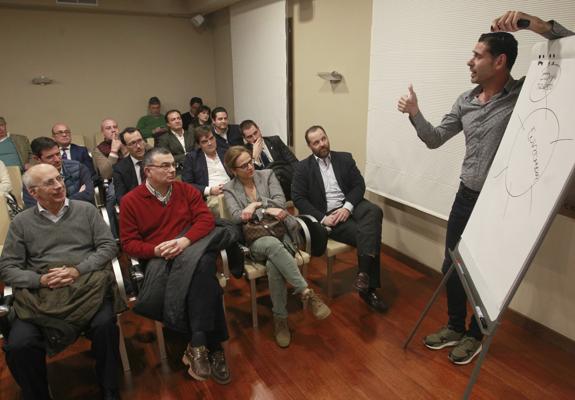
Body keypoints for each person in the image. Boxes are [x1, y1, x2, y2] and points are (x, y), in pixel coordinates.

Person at [396, 11, 573, 365]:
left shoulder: (523, 93)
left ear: (500, 61)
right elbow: (434, 139)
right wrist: (415, 113)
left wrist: (531, 23)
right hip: (465, 196)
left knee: (480, 271)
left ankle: (475, 336)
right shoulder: (465, 100)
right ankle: (454, 327)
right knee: (452, 264)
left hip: (497, 202)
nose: (470, 61)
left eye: (477, 55)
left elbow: (569, 48)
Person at [0, 163, 122, 400]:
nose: (59, 186)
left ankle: (110, 388)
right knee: (18, 345)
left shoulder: (85, 210)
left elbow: (108, 246)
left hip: (87, 286)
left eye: (59, 179)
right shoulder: (22, 223)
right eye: (49, 183)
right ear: (33, 192)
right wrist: (41, 279)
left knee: (105, 326)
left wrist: (78, 270)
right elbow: (8, 268)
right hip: (42, 295)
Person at [119, 147, 232, 384]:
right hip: (161, 258)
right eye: (165, 166)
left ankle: (199, 345)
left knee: (200, 264)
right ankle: (215, 345)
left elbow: (205, 220)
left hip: (189, 246)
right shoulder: (130, 201)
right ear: (148, 171)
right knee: (204, 274)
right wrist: (155, 250)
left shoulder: (186, 190)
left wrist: (184, 241)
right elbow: (129, 244)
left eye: (173, 165)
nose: (172, 170)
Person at [223, 146, 331, 348]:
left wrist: (255, 205)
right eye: (243, 165)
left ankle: (280, 319)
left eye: (250, 161)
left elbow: (281, 203)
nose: (250, 167)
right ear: (233, 170)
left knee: (274, 265)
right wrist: (265, 208)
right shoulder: (229, 188)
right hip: (256, 240)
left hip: (282, 233)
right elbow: (237, 216)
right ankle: (306, 291)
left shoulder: (267, 174)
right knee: (271, 246)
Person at [292, 126, 387, 312]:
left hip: (350, 205)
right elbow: (298, 198)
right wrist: (322, 219)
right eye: (316, 142)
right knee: (370, 233)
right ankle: (368, 288)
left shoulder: (345, 158)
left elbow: (359, 185)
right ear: (310, 146)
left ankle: (363, 274)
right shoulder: (302, 168)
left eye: (324, 139)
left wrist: (347, 207)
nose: (322, 144)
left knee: (374, 211)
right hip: (330, 216)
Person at [23, 137, 94, 207]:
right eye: (50, 157)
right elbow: (33, 207)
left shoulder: (78, 167)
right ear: (37, 159)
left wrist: (50, 203)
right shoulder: (31, 178)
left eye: (58, 154)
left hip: (80, 213)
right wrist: (77, 196)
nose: (57, 160)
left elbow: (88, 195)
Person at [240, 119, 298, 200]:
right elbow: (251, 178)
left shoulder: (275, 141)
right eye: (250, 137)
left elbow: (293, 162)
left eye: (255, 133)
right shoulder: (245, 152)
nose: (255, 138)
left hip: (285, 180)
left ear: (259, 129)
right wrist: (255, 157)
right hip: (266, 188)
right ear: (245, 139)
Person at [182, 125, 231, 215]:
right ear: (199, 144)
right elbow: (186, 184)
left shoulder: (226, 152)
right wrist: (210, 190)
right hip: (212, 196)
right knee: (224, 206)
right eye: (204, 141)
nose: (210, 143)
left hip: (232, 190)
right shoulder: (192, 158)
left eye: (211, 138)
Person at [112, 127, 149, 204]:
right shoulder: (119, 168)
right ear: (126, 147)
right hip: (137, 207)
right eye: (132, 143)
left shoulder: (157, 159)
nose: (138, 146)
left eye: (140, 141)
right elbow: (121, 198)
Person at [157, 109, 194, 173]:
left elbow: (198, 152)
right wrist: (187, 155)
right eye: (173, 119)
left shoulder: (191, 134)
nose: (177, 121)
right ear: (168, 124)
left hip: (195, 167)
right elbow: (166, 158)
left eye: (179, 118)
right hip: (176, 171)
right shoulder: (163, 139)